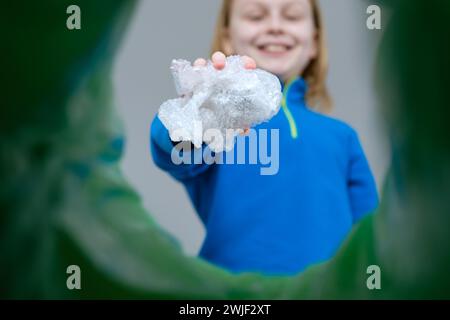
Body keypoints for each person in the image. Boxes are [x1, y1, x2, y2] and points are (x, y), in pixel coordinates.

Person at [150, 0, 378, 275]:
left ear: (314, 43)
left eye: (291, 16)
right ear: (228, 38)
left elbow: (372, 235)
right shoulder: (222, 127)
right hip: (232, 297)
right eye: (256, 16)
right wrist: (196, 114)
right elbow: (173, 151)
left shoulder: (342, 138)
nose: (275, 26)